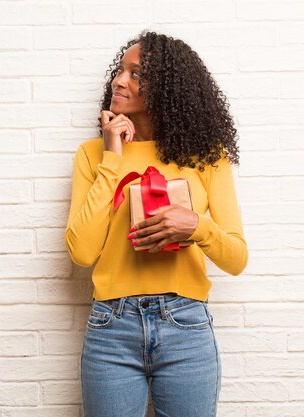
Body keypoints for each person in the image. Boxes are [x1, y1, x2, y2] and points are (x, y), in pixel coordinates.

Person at [64, 31, 249, 417]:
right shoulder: (92, 154)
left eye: (136, 74)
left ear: (167, 87)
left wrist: (196, 226)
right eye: (120, 70)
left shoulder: (207, 156)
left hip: (186, 327)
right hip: (111, 329)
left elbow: (236, 257)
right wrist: (112, 158)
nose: (119, 80)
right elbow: (81, 252)